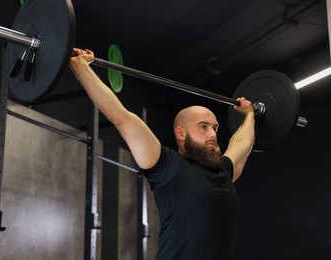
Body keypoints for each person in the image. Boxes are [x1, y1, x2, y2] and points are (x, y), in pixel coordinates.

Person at [69, 48, 255, 260]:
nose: (212, 134)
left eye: (215, 128)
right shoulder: (167, 166)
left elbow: (243, 142)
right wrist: (81, 67)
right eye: (203, 127)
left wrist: (249, 115)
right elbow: (122, 117)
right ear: (180, 133)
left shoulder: (224, 172)